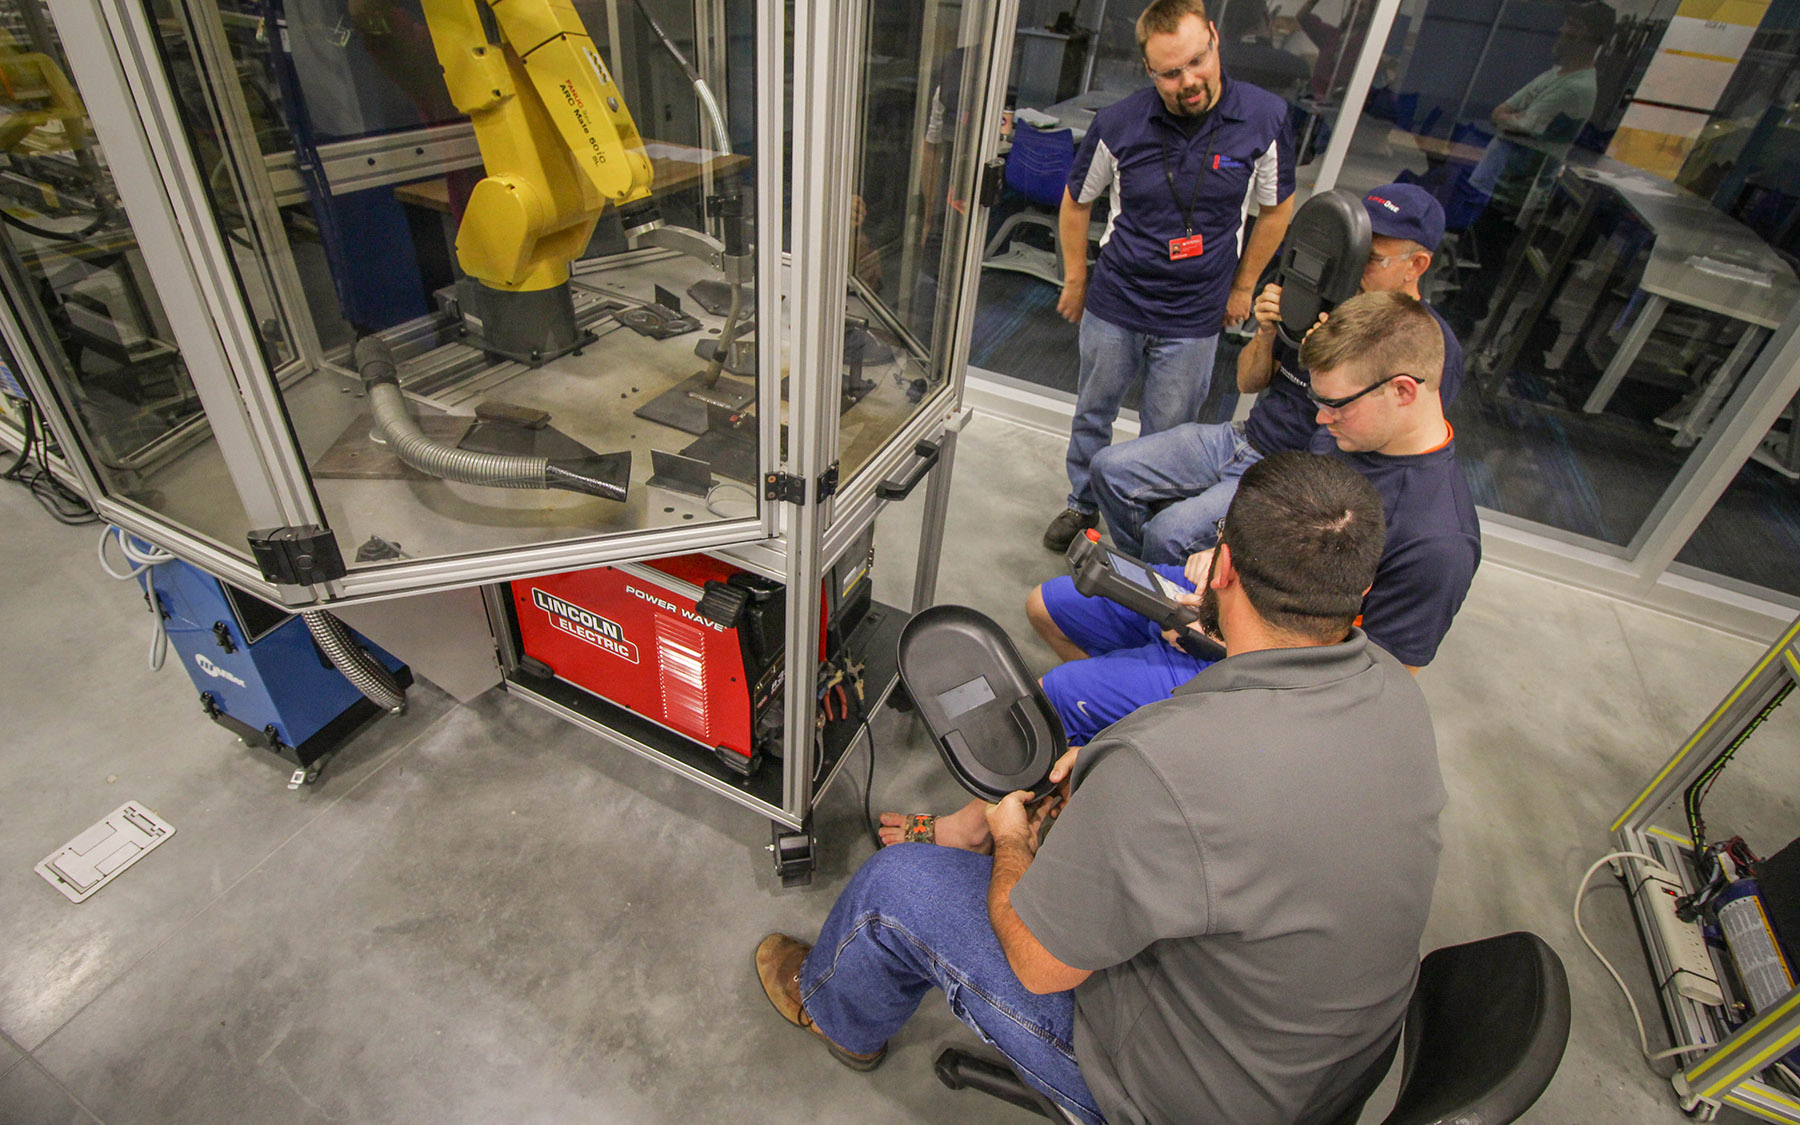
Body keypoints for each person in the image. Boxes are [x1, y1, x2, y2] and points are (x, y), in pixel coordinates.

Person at [757, 451, 1446, 1125]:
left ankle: (834, 1012)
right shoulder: (1392, 687)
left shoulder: (1166, 763)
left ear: (1224, 566)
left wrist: (1008, 841)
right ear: (1359, 594)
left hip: (1186, 1098)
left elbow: (1039, 964)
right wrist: (1119, 782)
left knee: (895, 886)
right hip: (1320, 1073)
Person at [1031, 289, 1478, 748]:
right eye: (1319, 402)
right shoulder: (1347, 436)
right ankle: (1140, 726)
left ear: (1403, 390)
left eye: (1337, 405)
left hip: (1261, 663)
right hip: (1220, 601)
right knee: (1046, 607)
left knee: (1055, 695)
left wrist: (1235, 639)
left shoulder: (1440, 542)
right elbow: (1278, 520)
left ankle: (1149, 743)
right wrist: (1222, 552)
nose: (1321, 420)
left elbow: (1369, 686)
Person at [1089, 181, 1462, 563]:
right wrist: (1267, 331)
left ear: (1416, 265)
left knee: (1169, 535)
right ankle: (1153, 578)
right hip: (1244, 436)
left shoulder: (1427, 345)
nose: (1356, 264)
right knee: (1109, 470)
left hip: (1290, 471)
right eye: (1357, 248)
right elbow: (1247, 381)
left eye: (1372, 257)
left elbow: (1396, 449)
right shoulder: (1324, 300)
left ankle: (1171, 595)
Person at [1044, 0, 1296, 553]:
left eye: (1196, 61)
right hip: (1116, 302)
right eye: (1171, 73)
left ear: (1213, 38)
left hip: (1195, 313)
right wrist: (1075, 279)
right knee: (1094, 413)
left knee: (1168, 437)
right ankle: (1082, 504)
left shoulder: (1264, 117)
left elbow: (1277, 208)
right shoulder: (1119, 123)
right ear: (1150, 72)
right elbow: (1075, 202)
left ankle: (1145, 532)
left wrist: (1243, 287)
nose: (1189, 81)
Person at [1468, 2, 1616, 204]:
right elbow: (1499, 112)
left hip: (1513, 198)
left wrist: (1512, 119)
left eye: (1569, 24)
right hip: (1493, 186)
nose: (1561, 30)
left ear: (1582, 33)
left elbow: (1523, 127)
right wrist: (1510, 117)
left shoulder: (1577, 88)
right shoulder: (1555, 74)